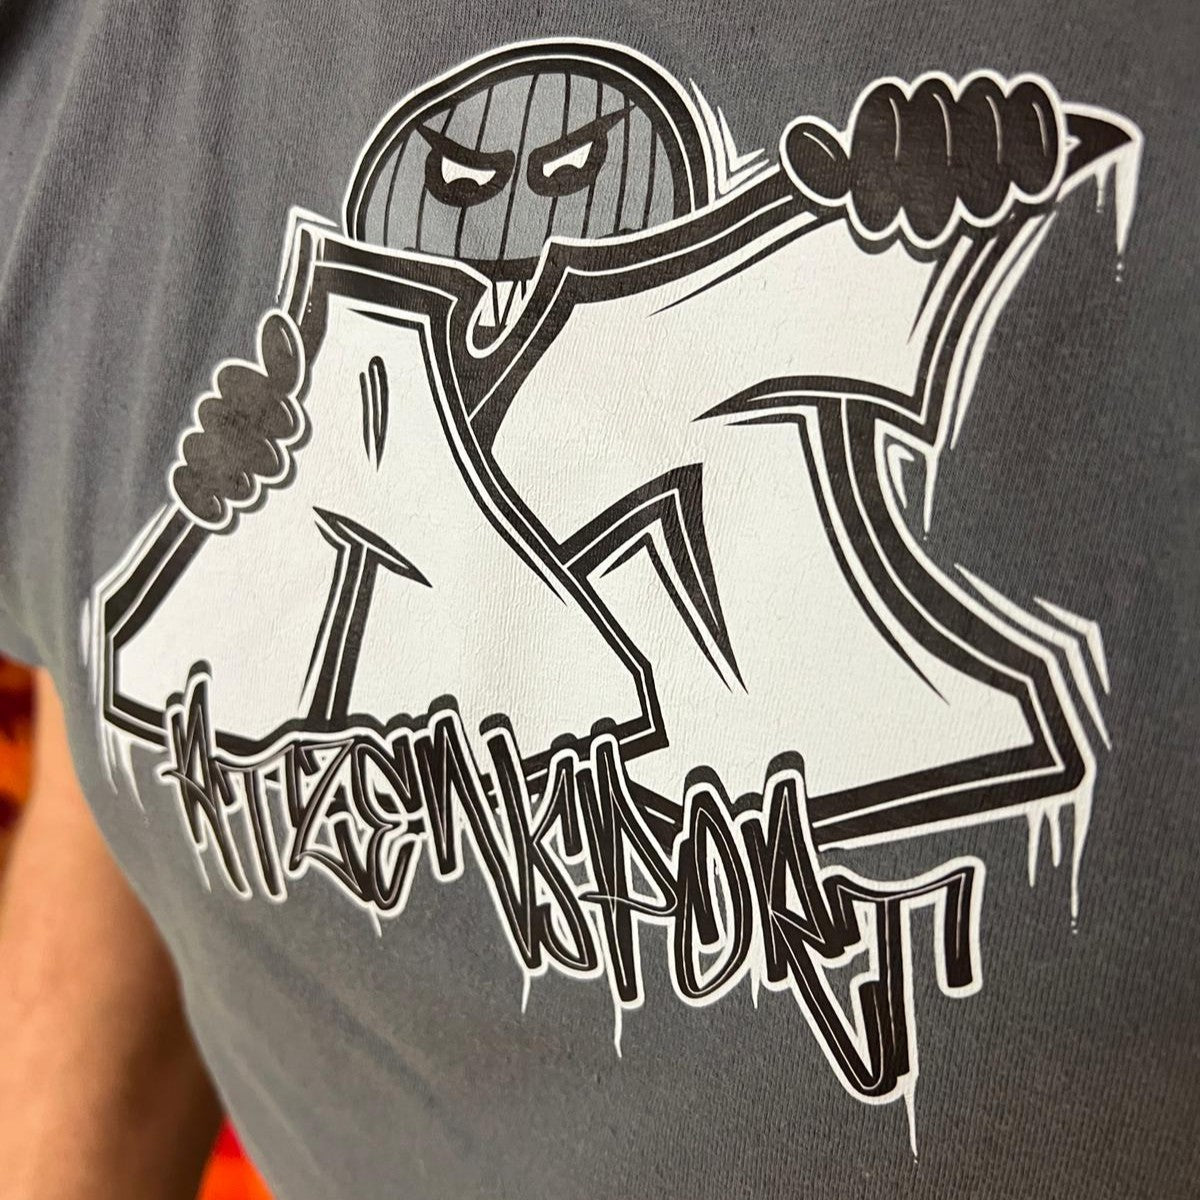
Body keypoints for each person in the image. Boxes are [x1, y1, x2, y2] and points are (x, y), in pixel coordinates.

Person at [0, 3, 1196, 1197]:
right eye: (465, 188)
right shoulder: (68, 94)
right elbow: (115, 767)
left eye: (569, 174)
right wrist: (234, 569)